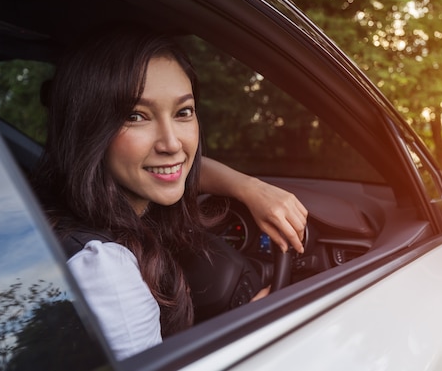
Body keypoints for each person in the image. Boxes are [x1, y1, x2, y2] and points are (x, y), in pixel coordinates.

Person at [33, 25, 307, 360]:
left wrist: (250, 188)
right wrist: (246, 338)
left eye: (183, 112)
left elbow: (179, 167)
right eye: (137, 116)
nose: (172, 143)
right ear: (89, 127)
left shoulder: (52, 205)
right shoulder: (106, 272)